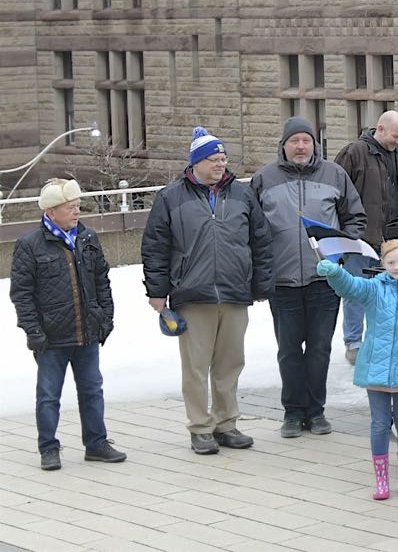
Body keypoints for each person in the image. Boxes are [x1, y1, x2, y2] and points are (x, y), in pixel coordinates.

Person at [142, 128, 271, 455]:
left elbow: (261, 241)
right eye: (214, 159)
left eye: (224, 158)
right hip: (192, 294)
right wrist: (157, 292)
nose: (221, 164)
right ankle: (200, 428)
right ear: (196, 162)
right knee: (196, 367)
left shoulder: (242, 195)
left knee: (230, 364)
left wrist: (259, 284)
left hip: (233, 292)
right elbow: (155, 247)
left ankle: (226, 423)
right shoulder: (171, 197)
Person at [251, 115, 365, 438]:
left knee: (319, 349)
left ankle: (316, 412)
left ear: (315, 144)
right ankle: (292, 412)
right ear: (283, 145)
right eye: (294, 141)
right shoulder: (264, 179)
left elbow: (355, 218)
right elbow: (253, 228)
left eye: (306, 141)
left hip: (324, 281)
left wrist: (340, 254)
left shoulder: (335, 175)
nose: (300, 147)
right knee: (288, 350)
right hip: (283, 281)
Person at [316, 240, 398, 500]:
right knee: (379, 424)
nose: (396, 267)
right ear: (382, 264)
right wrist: (335, 273)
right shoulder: (374, 288)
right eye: (390, 262)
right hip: (376, 367)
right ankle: (382, 481)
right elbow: (351, 287)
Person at [15, 178, 123, 472]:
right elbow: (22, 294)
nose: (77, 211)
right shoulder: (29, 245)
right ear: (51, 211)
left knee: (92, 390)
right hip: (51, 338)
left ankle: (96, 444)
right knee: (49, 396)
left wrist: (105, 317)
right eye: (70, 207)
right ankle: (48, 448)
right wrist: (33, 331)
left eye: (77, 206)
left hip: (87, 332)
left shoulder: (87, 237)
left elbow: (102, 280)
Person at [336, 110, 398, 363]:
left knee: (389, 291)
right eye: (395, 136)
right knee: (356, 291)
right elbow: (337, 191)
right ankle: (354, 342)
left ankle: (381, 339)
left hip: (395, 238)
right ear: (380, 129)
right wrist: (346, 229)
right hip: (361, 236)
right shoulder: (355, 153)